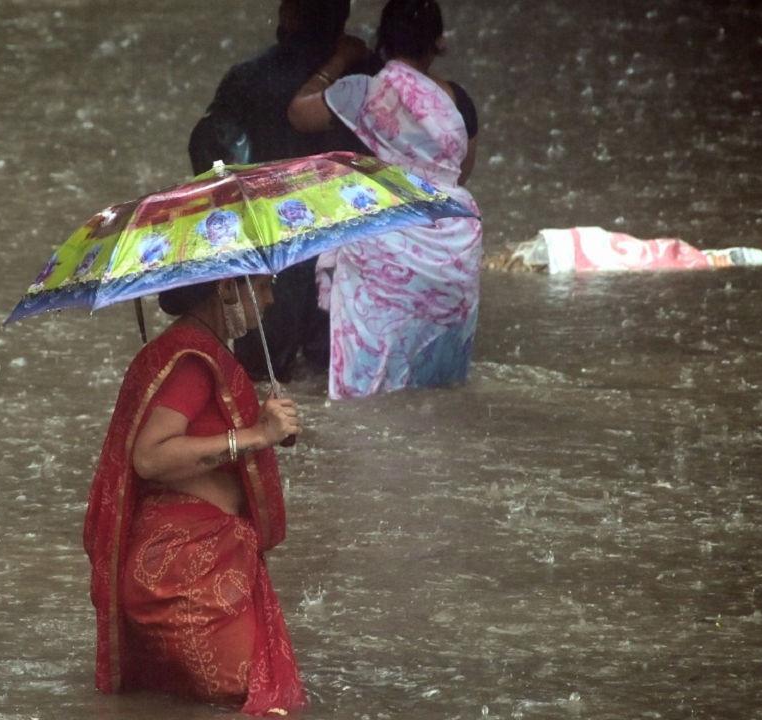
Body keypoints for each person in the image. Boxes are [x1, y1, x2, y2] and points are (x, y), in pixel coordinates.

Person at [83, 275, 307, 716]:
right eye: (260, 286)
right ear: (225, 289)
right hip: (188, 575)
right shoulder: (190, 360)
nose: (270, 299)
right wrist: (256, 435)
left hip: (189, 564)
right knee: (251, 702)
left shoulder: (193, 351)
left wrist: (261, 431)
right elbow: (151, 456)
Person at [288, 0, 483, 399]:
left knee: (373, 369)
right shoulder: (457, 101)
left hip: (388, 238)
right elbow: (461, 172)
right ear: (438, 43)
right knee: (437, 383)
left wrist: (339, 60)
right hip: (453, 243)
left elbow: (299, 114)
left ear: (382, 42)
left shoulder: (372, 91)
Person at [189, 0, 382, 384]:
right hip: (348, 261)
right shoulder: (371, 79)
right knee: (335, 383)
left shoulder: (247, 79)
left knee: (259, 384)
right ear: (342, 15)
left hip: (270, 264)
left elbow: (209, 157)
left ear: (287, 14)